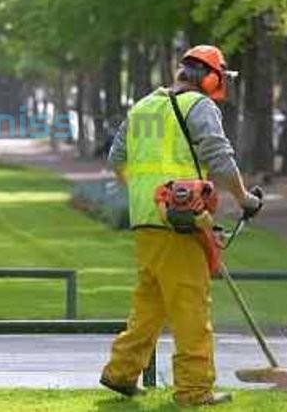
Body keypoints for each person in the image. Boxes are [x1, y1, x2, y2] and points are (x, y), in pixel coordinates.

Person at [99, 45, 262, 406]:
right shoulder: (199, 106)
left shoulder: (142, 107)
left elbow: (116, 159)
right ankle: (194, 390)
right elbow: (219, 157)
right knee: (190, 307)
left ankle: (121, 373)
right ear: (209, 78)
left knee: (150, 304)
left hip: (145, 223)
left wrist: (149, 195)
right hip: (179, 226)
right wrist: (244, 198)